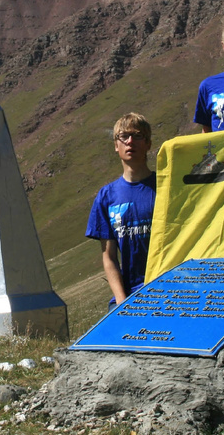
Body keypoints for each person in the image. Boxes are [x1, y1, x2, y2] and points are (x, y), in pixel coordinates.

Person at [85, 113, 156, 307]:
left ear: (148, 143)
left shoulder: (165, 187)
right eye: (123, 137)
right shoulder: (106, 196)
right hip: (128, 296)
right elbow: (108, 256)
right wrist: (121, 299)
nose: (130, 141)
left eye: (138, 135)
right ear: (116, 146)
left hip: (165, 292)